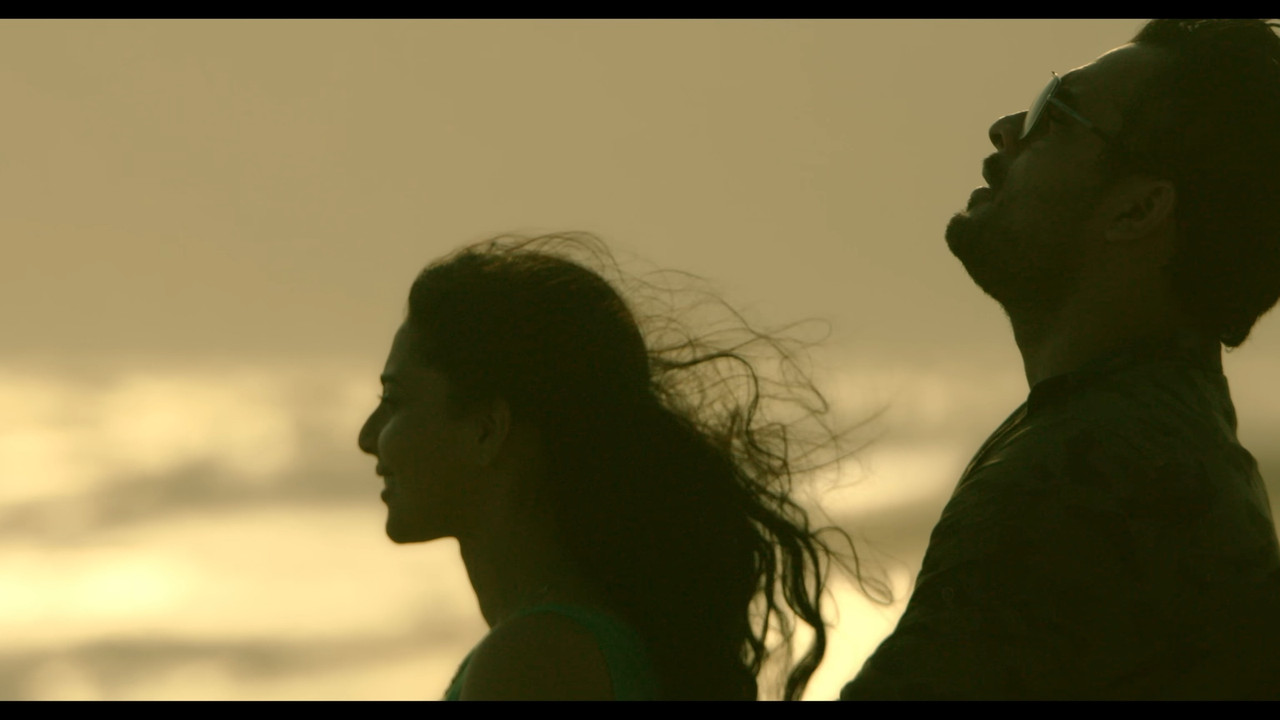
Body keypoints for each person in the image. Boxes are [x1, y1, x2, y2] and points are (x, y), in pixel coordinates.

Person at [841, 19, 1280, 700]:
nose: (1004, 132)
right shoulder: (1156, 446)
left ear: (1138, 209)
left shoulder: (1087, 474)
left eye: (1054, 115)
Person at [358, 233, 882, 700]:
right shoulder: (574, 643)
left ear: (486, 430)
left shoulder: (535, 661)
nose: (366, 437)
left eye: (394, 400)